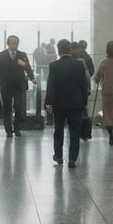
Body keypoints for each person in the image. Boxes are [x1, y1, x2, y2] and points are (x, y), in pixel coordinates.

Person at [45, 38, 90, 168]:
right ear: (70, 50)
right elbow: (84, 86)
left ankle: (58, 156)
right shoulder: (79, 65)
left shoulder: (54, 66)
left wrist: (48, 103)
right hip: (76, 104)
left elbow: (51, 86)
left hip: (59, 105)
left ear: (58, 51)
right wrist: (83, 102)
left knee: (58, 130)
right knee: (74, 132)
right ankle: (72, 160)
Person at [0, 35, 35, 138]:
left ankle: (17, 129)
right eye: (12, 43)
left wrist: (32, 77)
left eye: (16, 43)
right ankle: (8, 130)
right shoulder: (2, 55)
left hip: (18, 86)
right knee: (7, 108)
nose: (14, 45)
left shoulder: (22, 55)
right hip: (6, 86)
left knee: (18, 108)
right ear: (8, 44)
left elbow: (28, 67)